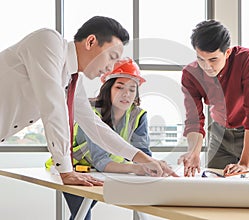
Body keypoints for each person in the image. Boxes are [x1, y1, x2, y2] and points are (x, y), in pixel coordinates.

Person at [0, 15, 175, 187]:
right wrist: (66, 170)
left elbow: (94, 126)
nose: (111, 67)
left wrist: (143, 159)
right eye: (112, 56)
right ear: (91, 42)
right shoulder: (48, 42)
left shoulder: (72, 80)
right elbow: (53, 107)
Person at [48, 58, 151, 219]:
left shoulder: (138, 115)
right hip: (73, 169)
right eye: (119, 87)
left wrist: (152, 167)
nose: (127, 94)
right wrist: (135, 168)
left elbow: (144, 154)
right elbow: (100, 160)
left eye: (132, 89)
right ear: (107, 88)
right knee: (82, 213)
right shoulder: (89, 113)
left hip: (110, 171)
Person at [178, 19, 249, 177]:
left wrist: (245, 163)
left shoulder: (246, 60)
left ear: (227, 53)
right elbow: (195, 121)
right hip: (220, 136)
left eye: (213, 60)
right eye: (200, 59)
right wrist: (194, 152)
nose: (207, 66)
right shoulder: (190, 75)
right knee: (215, 189)